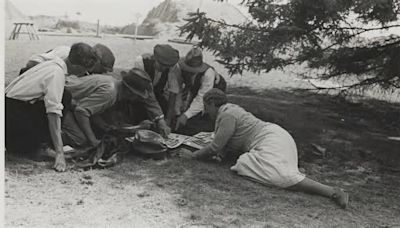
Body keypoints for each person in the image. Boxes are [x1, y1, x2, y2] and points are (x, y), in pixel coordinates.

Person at [185, 88, 349, 209]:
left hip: (271, 139)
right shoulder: (229, 110)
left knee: (268, 173)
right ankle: (324, 188)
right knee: (269, 170)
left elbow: (215, 147)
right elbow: (226, 145)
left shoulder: (228, 114)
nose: (206, 112)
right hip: (274, 136)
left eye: (206, 107)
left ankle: (333, 192)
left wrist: (192, 156)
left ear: (212, 103)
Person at [5, 42, 98, 172]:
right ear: (77, 66)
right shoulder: (56, 73)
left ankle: (32, 144)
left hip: (10, 109)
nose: (85, 73)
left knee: (65, 95)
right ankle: (36, 147)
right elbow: (53, 113)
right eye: (85, 69)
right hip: (13, 116)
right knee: (62, 100)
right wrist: (59, 152)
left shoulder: (53, 62)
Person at [62, 68, 171, 148]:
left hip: (70, 100)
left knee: (97, 130)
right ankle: (48, 138)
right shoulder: (110, 93)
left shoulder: (113, 85)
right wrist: (93, 141)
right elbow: (81, 111)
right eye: (137, 96)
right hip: (60, 99)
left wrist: (102, 125)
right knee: (81, 140)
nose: (136, 99)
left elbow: (89, 107)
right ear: (129, 92)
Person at [168, 46, 226, 135]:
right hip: (194, 88)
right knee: (182, 115)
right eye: (187, 69)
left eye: (193, 71)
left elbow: (201, 98)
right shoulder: (178, 67)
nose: (190, 72)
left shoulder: (208, 74)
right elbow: (177, 89)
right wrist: (177, 112)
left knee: (208, 112)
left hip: (215, 88)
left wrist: (185, 116)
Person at [133, 44, 180, 114]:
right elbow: (140, 88)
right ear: (154, 58)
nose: (164, 68)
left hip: (159, 94)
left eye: (166, 66)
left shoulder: (173, 66)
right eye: (161, 65)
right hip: (141, 93)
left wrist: (168, 118)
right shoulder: (141, 61)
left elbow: (173, 92)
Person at [19, 43, 115, 75]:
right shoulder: (66, 52)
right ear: (96, 61)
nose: (101, 73)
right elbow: (32, 62)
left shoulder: (85, 71)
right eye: (102, 70)